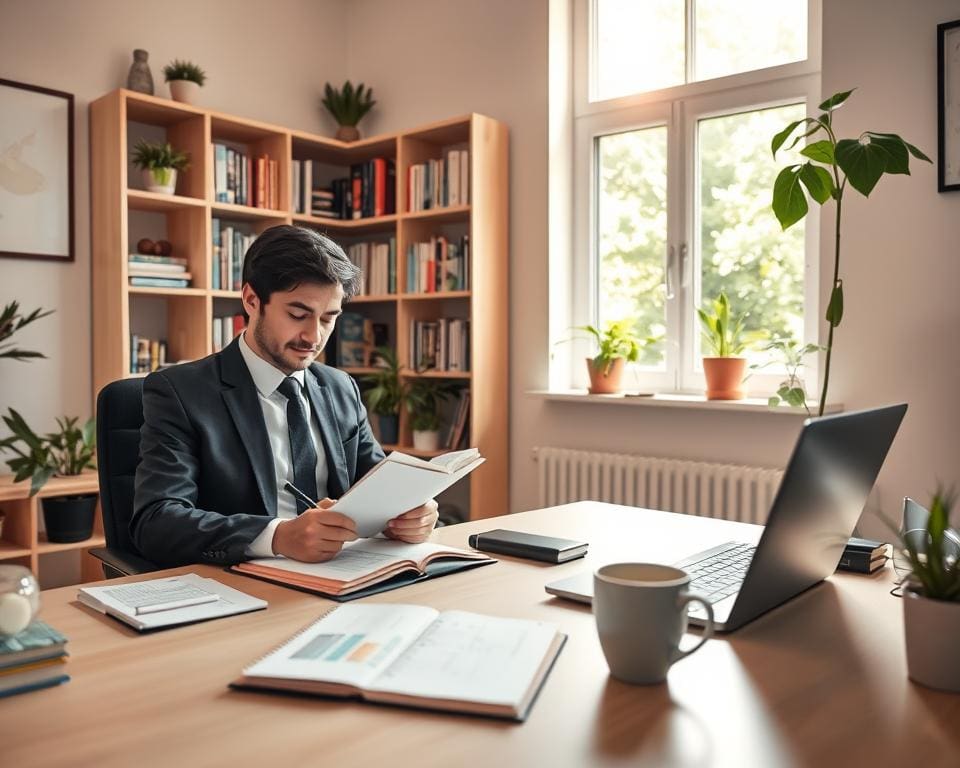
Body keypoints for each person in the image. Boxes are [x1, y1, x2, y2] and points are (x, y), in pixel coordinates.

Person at [131, 225, 438, 568]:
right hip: (241, 586)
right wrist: (278, 537)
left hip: (345, 575)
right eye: (298, 314)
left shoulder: (341, 389)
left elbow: (378, 487)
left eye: (328, 318)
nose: (314, 336)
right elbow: (156, 522)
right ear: (251, 300)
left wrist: (410, 514)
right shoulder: (180, 392)